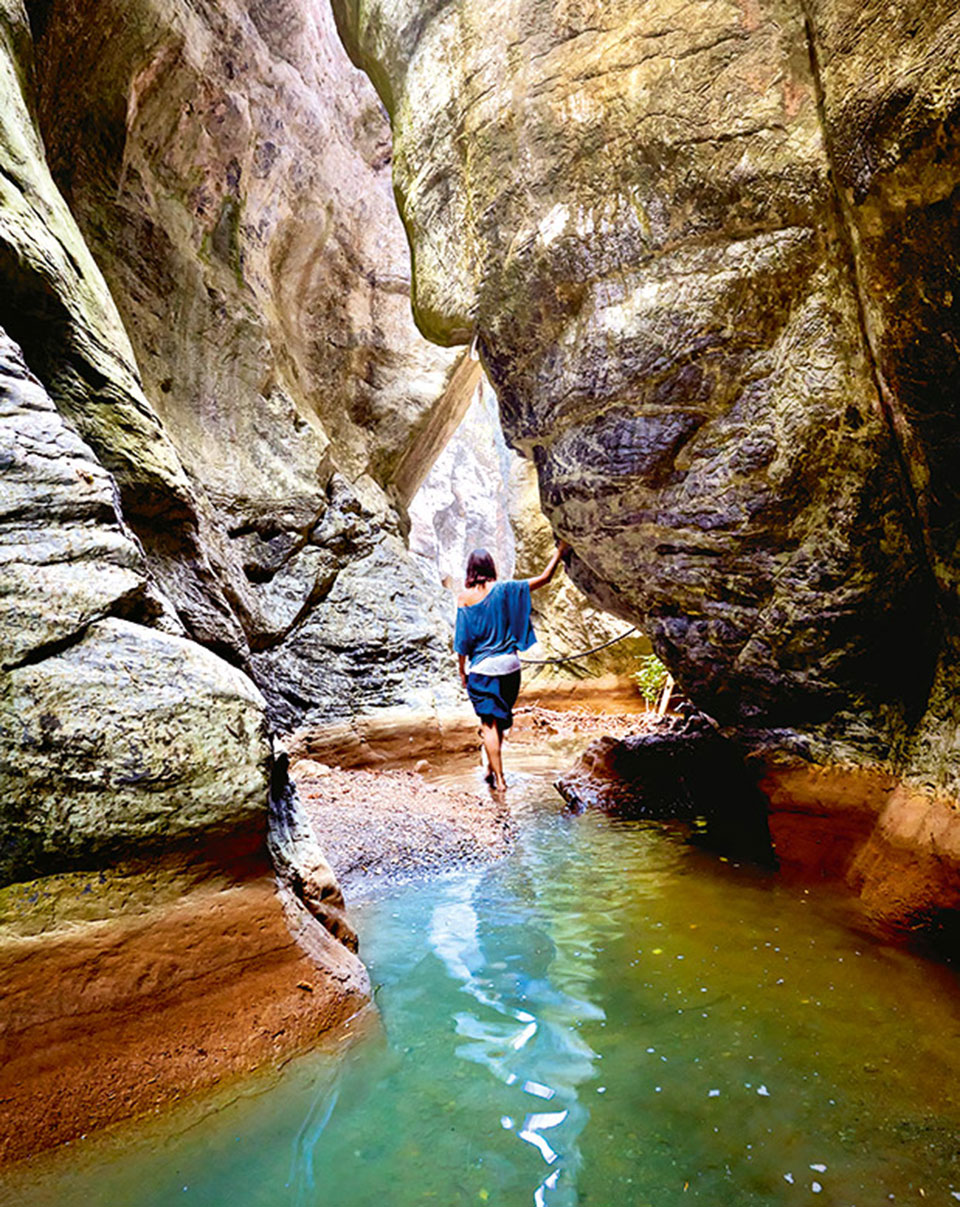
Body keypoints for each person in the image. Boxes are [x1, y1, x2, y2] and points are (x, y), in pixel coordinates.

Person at [455, 540, 570, 791]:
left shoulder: (464, 599)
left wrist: (462, 670)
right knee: (501, 720)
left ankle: (500, 780)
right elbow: (544, 578)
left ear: (470, 570)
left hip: (483, 670)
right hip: (510, 668)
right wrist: (560, 551)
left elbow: (462, 642)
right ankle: (490, 768)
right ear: (491, 567)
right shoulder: (506, 589)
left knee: (489, 724)